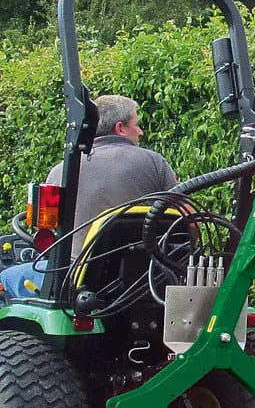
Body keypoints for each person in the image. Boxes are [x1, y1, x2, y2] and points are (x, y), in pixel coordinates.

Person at [0, 95, 178, 299]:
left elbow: (47, 239)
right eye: (136, 125)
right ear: (120, 128)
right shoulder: (155, 163)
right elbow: (187, 221)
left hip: (78, 282)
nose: (140, 132)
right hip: (147, 281)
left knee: (7, 277)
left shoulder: (61, 172)